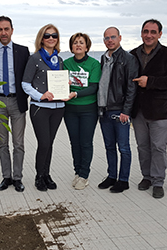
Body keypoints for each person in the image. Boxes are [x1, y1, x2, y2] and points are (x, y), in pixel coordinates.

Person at [130, 19, 167, 199]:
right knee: (143, 147)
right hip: (138, 110)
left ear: (160, 34)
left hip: (160, 110)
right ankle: (147, 177)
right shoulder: (133, 54)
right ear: (141, 33)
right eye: (146, 31)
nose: (149, 35)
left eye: (153, 32)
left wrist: (150, 82)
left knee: (158, 147)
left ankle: (158, 182)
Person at [0, 16, 30, 192]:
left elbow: (29, 76)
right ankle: (6, 177)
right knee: (2, 143)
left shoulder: (23, 51)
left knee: (18, 143)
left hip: (17, 101)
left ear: (12, 29)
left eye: (6, 29)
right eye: (0, 29)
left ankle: (18, 177)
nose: (3, 32)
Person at [22, 24, 65, 191]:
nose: (51, 38)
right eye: (47, 36)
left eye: (54, 35)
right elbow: (25, 84)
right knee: (44, 143)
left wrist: (66, 85)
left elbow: (60, 82)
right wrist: (40, 95)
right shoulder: (34, 59)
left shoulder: (59, 60)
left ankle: (47, 175)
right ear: (41, 38)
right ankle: (39, 176)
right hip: (40, 107)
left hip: (58, 107)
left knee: (50, 143)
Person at [97, 27, 138, 193]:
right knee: (109, 146)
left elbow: (131, 87)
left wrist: (126, 111)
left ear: (120, 38)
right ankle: (111, 176)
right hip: (103, 110)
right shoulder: (103, 58)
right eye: (106, 38)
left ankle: (123, 180)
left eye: (113, 37)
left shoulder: (128, 59)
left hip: (120, 110)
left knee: (123, 147)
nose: (110, 40)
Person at [63, 33, 101, 190]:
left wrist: (76, 93)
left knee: (85, 142)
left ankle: (84, 175)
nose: (78, 45)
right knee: (74, 142)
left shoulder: (94, 64)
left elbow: (93, 87)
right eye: (75, 43)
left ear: (87, 46)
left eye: (81, 43)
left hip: (88, 109)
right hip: (70, 109)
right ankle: (77, 172)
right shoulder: (66, 64)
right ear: (71, 47)